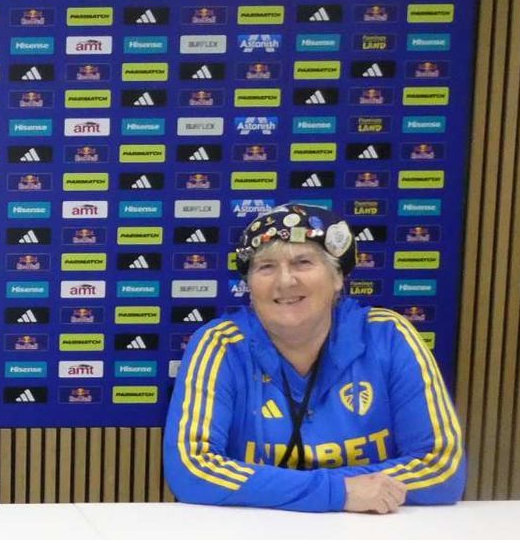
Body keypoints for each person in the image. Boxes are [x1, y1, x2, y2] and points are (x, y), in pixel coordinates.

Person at [164, 204, 464, 512]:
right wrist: (340, 491)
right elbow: (192, 470)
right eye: (266, 267)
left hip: (370, 534)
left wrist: (285, 489)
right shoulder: (221, 345)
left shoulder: (388, 336)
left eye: (303, 262)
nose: (285, 281)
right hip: (254, 535)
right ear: (249, 286)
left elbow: (441, 467)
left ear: (337, 277)